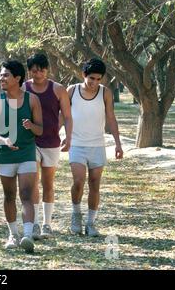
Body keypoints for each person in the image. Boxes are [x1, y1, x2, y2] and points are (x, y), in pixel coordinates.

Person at [0, 60, 43, 253]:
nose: (1, 78)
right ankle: (12, 234)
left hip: (27, 153)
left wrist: (31, 126)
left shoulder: (32, 100)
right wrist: (2, 140)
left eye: (5, 75)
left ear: (17, 78)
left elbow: (40, 130)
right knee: (9, 196)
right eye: (1, 75)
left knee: (27, 195)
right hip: (5, 156)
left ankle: (27, 235)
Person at [67, 58, 123, 237]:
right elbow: (64, 117)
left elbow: (111, 118)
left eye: (99, 79)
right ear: (83, 74)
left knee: (94, 184)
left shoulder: (105, 93)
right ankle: (76, 215)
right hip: (76, 144)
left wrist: (118, 143)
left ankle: (91, 223)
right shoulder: (72, 91)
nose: (94, 83)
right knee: (78, 181)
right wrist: (57, 136)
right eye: (91, 78)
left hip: (97, 145)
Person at [24, 53, 72, 239]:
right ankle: (34, 223)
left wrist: (68, 137)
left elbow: (67, 116)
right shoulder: (24, 88)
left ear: (47, 69)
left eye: (42, 70)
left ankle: (47, 224)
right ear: (29, 71)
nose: (38, 74)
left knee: (48, 183)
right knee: (34, 182)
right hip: (31, 142)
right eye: (34, 70)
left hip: (51, 142)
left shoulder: (58, 89)